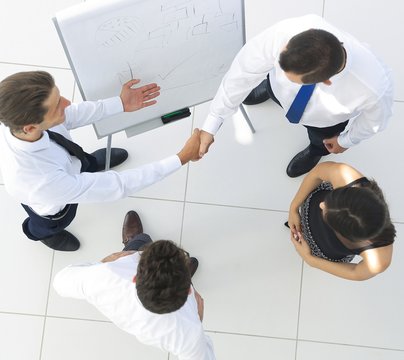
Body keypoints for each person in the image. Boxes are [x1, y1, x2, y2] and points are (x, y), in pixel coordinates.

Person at [0, 71, 201, 251]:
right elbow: (117, 185)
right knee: (46, 224)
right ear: (30, 128)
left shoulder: (21, 122)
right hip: (53, 204)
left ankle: (90, 164)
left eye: (59, 95)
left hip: (69, 164)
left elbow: (72, 115)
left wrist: (120, 103)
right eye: (56, 107)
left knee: (84, 161)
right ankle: (43, 235)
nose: (67, 103)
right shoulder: (41, 181)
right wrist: (180, 158)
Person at [198, 14, 393, 177]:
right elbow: (244, 69)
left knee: (321, 139)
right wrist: (213, 120)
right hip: (278, 91)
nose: (279, 71)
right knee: (273, 87)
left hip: (323, 122)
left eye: (291, 79)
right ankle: (269, 90)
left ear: (324, 81)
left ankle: (315, 152)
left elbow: (375, 121)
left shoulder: (374, 87)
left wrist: (345, 141)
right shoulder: (293, 30)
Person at [53, 210, 215, 360]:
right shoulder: (189, 333)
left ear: (135, 278)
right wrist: (198, 321)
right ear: (187, 290)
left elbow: (60, 282)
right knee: (143, 242)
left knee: (142, 240)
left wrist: (103, 262)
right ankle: (175, 276)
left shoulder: (105, 276)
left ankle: (134, 242)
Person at [287, 161, 395, 280]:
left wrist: (310, 259)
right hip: (310, 207)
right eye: (331, 198)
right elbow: (316, 174)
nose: (322, 205)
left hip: (327, 249)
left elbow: (356, 273)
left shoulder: (379, 258)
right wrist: (294, 208)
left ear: (345, 234)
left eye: (327, 214)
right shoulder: (345, 175)